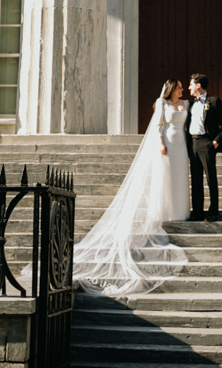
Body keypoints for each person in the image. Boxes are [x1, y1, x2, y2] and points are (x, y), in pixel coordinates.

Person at [71, 79, 189, 295]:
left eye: (183, 86)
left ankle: (181, 211)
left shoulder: (186, 104)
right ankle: (166, 210)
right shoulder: (162, 104)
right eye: (179, 86)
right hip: (169, 143)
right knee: (168, 178)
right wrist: (161, 143)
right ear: (171, 88)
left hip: (183, 145)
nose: (182, 89)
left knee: (181, 178)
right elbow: (158, 125)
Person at [185, 73, 222, 223]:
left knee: (211, 179)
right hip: (193, 143)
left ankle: (213, 211)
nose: (188, 87)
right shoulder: (190, 104)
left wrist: (216, 142)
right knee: (196, 180)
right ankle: (197, 212)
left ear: (198, 85)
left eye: (190, 84)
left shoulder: (214, 101)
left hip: (207, 143)